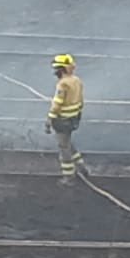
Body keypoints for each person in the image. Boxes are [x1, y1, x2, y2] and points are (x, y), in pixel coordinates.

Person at [46, 54, 85, 184]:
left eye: (56, 69)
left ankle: (69, 177)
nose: (55, 72)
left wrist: (49, 120)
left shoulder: (62, 84)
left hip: (62, 120)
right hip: (74, 119)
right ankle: (81, 166)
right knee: (68, 142)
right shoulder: (77, 81)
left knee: (63, 147)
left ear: (61, 69)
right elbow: (81, 101)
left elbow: (57, 104)